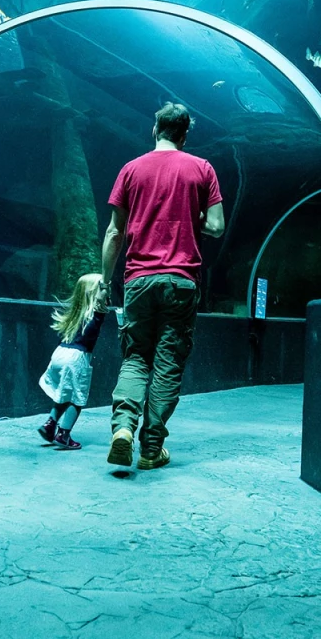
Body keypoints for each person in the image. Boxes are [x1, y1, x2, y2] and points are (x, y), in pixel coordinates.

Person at [100, 102, 225, 469]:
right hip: (181, 281)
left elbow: (114, 232)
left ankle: (123, 428)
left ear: (155, 130)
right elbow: (216, 227)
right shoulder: (202, 169)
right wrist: (190, 215)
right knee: (168, 363)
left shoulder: (131, 169)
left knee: (136, 357)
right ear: (184, 136)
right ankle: (151, 450)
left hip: (138, 279)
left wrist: (104, 282)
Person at [36, 273, 112, 450]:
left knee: (64, 392)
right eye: (103, 289)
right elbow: (100, 307)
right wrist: (103, 297)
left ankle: (50, 424)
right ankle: (64, 435)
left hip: (60, 353)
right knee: (77, 399)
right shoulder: (96, 313)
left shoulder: (74, 314)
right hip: (76, 358)